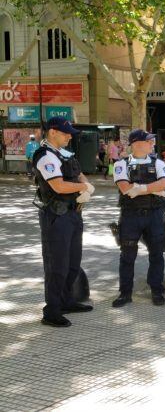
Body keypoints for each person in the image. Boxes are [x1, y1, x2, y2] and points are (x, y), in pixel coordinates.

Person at [32, 117, 95, 327]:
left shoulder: (63, 154)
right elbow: (58, 186)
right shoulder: (45, 156)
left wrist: (85, 184)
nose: (70, 136)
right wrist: (83, 188)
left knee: (72, 263)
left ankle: (67, 301)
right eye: (66, 133)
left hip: (73, 214)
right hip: (57, 216)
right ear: (52, 132)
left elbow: (80, 174)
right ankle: (51, 311)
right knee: (56, 265)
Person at [111, 129, 165, 308]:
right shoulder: (121, 164)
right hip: (130, 215)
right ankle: (125, 293)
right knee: (127, 256)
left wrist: (141, 189)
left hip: (153, 214)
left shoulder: (158, 162)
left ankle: (157, 291)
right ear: (137, 144)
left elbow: (164, 183)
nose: (152, 144)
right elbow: (125, 188)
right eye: (149, 141)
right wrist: (151, 187)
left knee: (156, 255)